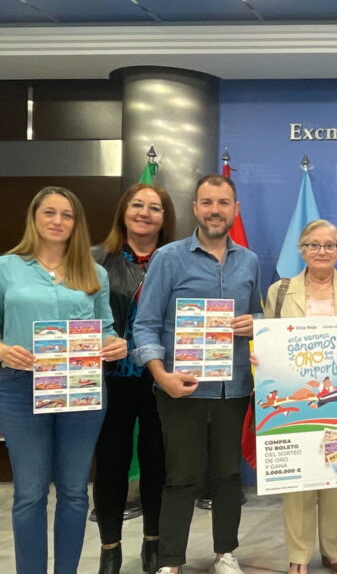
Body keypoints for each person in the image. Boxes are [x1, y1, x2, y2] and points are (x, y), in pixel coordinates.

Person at [132, 174, 261, 574]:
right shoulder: (169, 258)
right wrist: (161, 376)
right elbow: (145, 324)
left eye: (223, 203)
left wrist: (255, 323)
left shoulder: (250, 261)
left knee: (227, 475)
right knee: (181, 477)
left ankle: (226, 552)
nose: (215, 211)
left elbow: (259, 314)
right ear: (195, 208)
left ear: (235, 210)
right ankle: (171, 560)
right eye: (207, 202)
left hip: (232, 388)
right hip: (180, 389)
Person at [0, 186, 128, 574]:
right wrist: (2, 349)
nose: (58, 221)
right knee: (30, 492)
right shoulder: (6, 268)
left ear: (76, 223)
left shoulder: (95, 273)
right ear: (34, 217)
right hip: (21, 387)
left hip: (80, 389)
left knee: (74, 491)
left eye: (67, 215)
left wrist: (115, 344)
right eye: (49, 212)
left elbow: (105, 329)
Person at [263, 220, 337, 574]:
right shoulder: (279, 291)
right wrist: (261, 356)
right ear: (302, 249)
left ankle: (335, 549)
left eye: (329, 245)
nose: (321, 252)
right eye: (313, 245)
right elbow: (269, 340)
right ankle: (298, 554)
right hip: (297, 398)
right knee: (297, 477)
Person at [92, 183, 177, 574]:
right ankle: (109, 549)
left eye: (154, 208)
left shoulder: (176, 260)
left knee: (158, 464)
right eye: (137, 205)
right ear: (123, 212)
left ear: (165, 218)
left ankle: (153, 545)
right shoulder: (95, 259)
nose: (145, 213)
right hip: (112, 379)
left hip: (161, 378)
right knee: (111, 465)